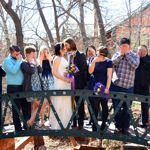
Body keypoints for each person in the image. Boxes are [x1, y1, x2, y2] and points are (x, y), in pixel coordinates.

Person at [111, 37, 140, 134]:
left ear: (129, 46)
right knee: (116, 108)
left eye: (125, 46)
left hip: (129, 87)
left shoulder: (135, 55)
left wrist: (126, 55)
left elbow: (135, 65)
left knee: (127, 109)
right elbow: (112, 64)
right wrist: (121, 55)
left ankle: (125, 128)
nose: (123, 48)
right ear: (120, 47)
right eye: (122, 46)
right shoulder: (116, 54)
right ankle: (118, 127)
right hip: (117, 86)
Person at [3, 45, 31, 131]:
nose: (18, 55)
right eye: (16, 54)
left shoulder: (20, 59)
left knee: (26, 106)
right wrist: (19, 61)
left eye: (19, 53)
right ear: (11, 53)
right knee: (16, 108)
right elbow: (14, 71)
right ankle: (18, 129)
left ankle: (27, 127)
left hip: (23, 87)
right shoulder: (7, 61)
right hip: (13, 87)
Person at [64, 38, 87, 130]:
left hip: (79, 84)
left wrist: (74, 73)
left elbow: (84, 69)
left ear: (71, 44)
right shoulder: (68, 56)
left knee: (79, 103)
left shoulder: (81, 55)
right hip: (69, 84)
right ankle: (74, 123)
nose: (65, 47)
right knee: (71, 104)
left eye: (66, 45)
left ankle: (80, 124)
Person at [89, 46, 112, 131]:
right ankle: (94, 126)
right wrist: (94, 61)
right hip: (94, 85)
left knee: (104, 106)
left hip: (103, 86)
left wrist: (107, 88)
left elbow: (109, 76)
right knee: (95, 107)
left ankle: (103, 124)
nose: (99, 56)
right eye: (98, 54)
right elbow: (90, 71)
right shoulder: (94, 60)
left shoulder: (109, 62)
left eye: (101, 54)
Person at [51, 42, 72, 129]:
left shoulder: (63, 58)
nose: (66, 48)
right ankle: (57, 127)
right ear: (60, 49)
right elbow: (54, 72)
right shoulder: (57, 58)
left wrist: (68, 73)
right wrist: (64, 79)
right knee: (59, 103)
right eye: (64, 47)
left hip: (65, 83)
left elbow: (62, 70)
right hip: (60, 83)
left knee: (65, 103)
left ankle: (65, 124)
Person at [21, 46, 42, 127]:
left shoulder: (34, 63)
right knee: (40, 104)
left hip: (38, 87)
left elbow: (40, 70)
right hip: (30, 88)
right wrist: (30, 61)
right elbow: (31, 71)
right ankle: (30, 122)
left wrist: (36, 61)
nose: (34, 55)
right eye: (32, 53)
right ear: (27, 54)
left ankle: (32, 123)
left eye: (34, 53)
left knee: (34, 106)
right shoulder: (24, 64)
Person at [134, 45, 150, 129]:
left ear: (146, 51)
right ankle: (128, 122)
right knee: (126, 103)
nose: (141, 52)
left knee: (145, 106)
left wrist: (143, 59)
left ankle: (145, 124)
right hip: (133, 85)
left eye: (143, 51)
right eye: (139, 51)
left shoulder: (148, 59)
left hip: (145, 86)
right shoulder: (135, 59)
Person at [38, 46, 53, 127]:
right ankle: (42, 120)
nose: (44, 54)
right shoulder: (38, 60)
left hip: (50, 81)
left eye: (46, 52)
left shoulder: (51, 60)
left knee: (51, 102)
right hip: (42, 81)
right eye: (43, 52)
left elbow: (52, 69)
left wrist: (49, 58)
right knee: (43, 102)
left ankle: (50, 119)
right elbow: (39, 69)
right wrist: (40, 59)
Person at [85, 45, 96, 125]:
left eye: (91, 51)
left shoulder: (97, 60)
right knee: (89, 103)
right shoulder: (85, 61)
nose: (89, 53)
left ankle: (95, 120)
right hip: (87, 85)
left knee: (95, 103)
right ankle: (91, 119)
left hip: (95, 84)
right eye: (88, 51)